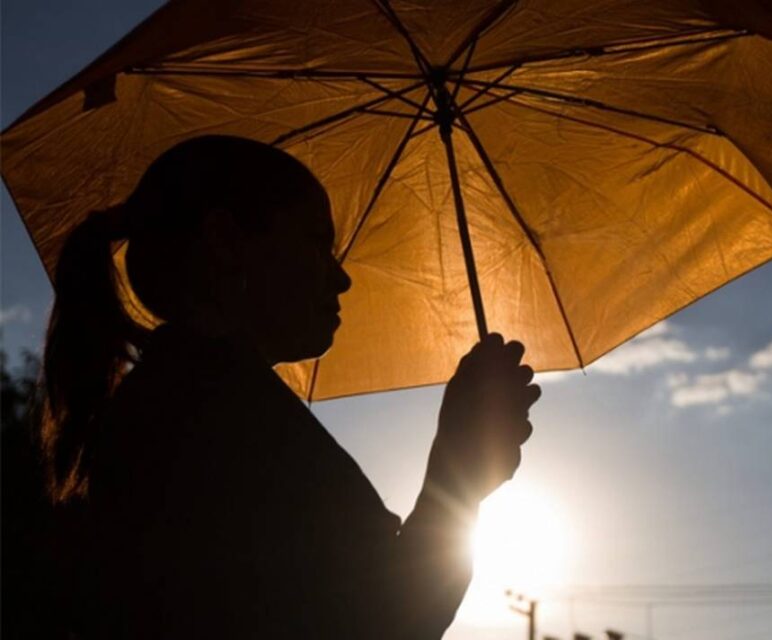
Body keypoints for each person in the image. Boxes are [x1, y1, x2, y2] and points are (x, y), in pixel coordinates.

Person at [39, 135, 540, 639]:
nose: (341, 279)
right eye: (317, 245)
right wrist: (458, 476)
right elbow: (383, 618)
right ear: (225, 243)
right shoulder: (216, 416)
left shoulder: (184, 399)